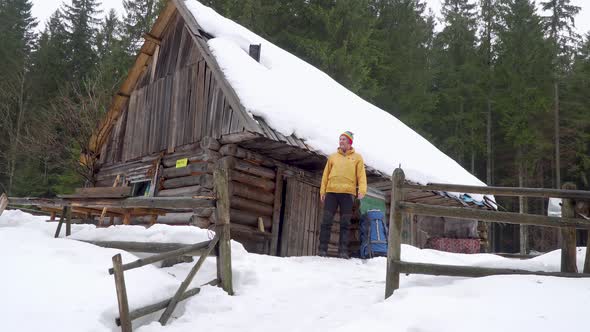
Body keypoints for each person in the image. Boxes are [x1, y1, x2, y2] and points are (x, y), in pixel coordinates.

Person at [318, 131, 367, 258]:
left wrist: (362, 190)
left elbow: (361, 175)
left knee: (345, 224)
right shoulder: (333, 157)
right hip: (331, 192)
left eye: (344, 139)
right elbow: (325, 175)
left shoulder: (357, 158)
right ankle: (322, 250)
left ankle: (343, 251)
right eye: (340, 139)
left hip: (347, 194)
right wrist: (322, 191)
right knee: (326, 221)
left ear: (350, 142)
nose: (341, 141)